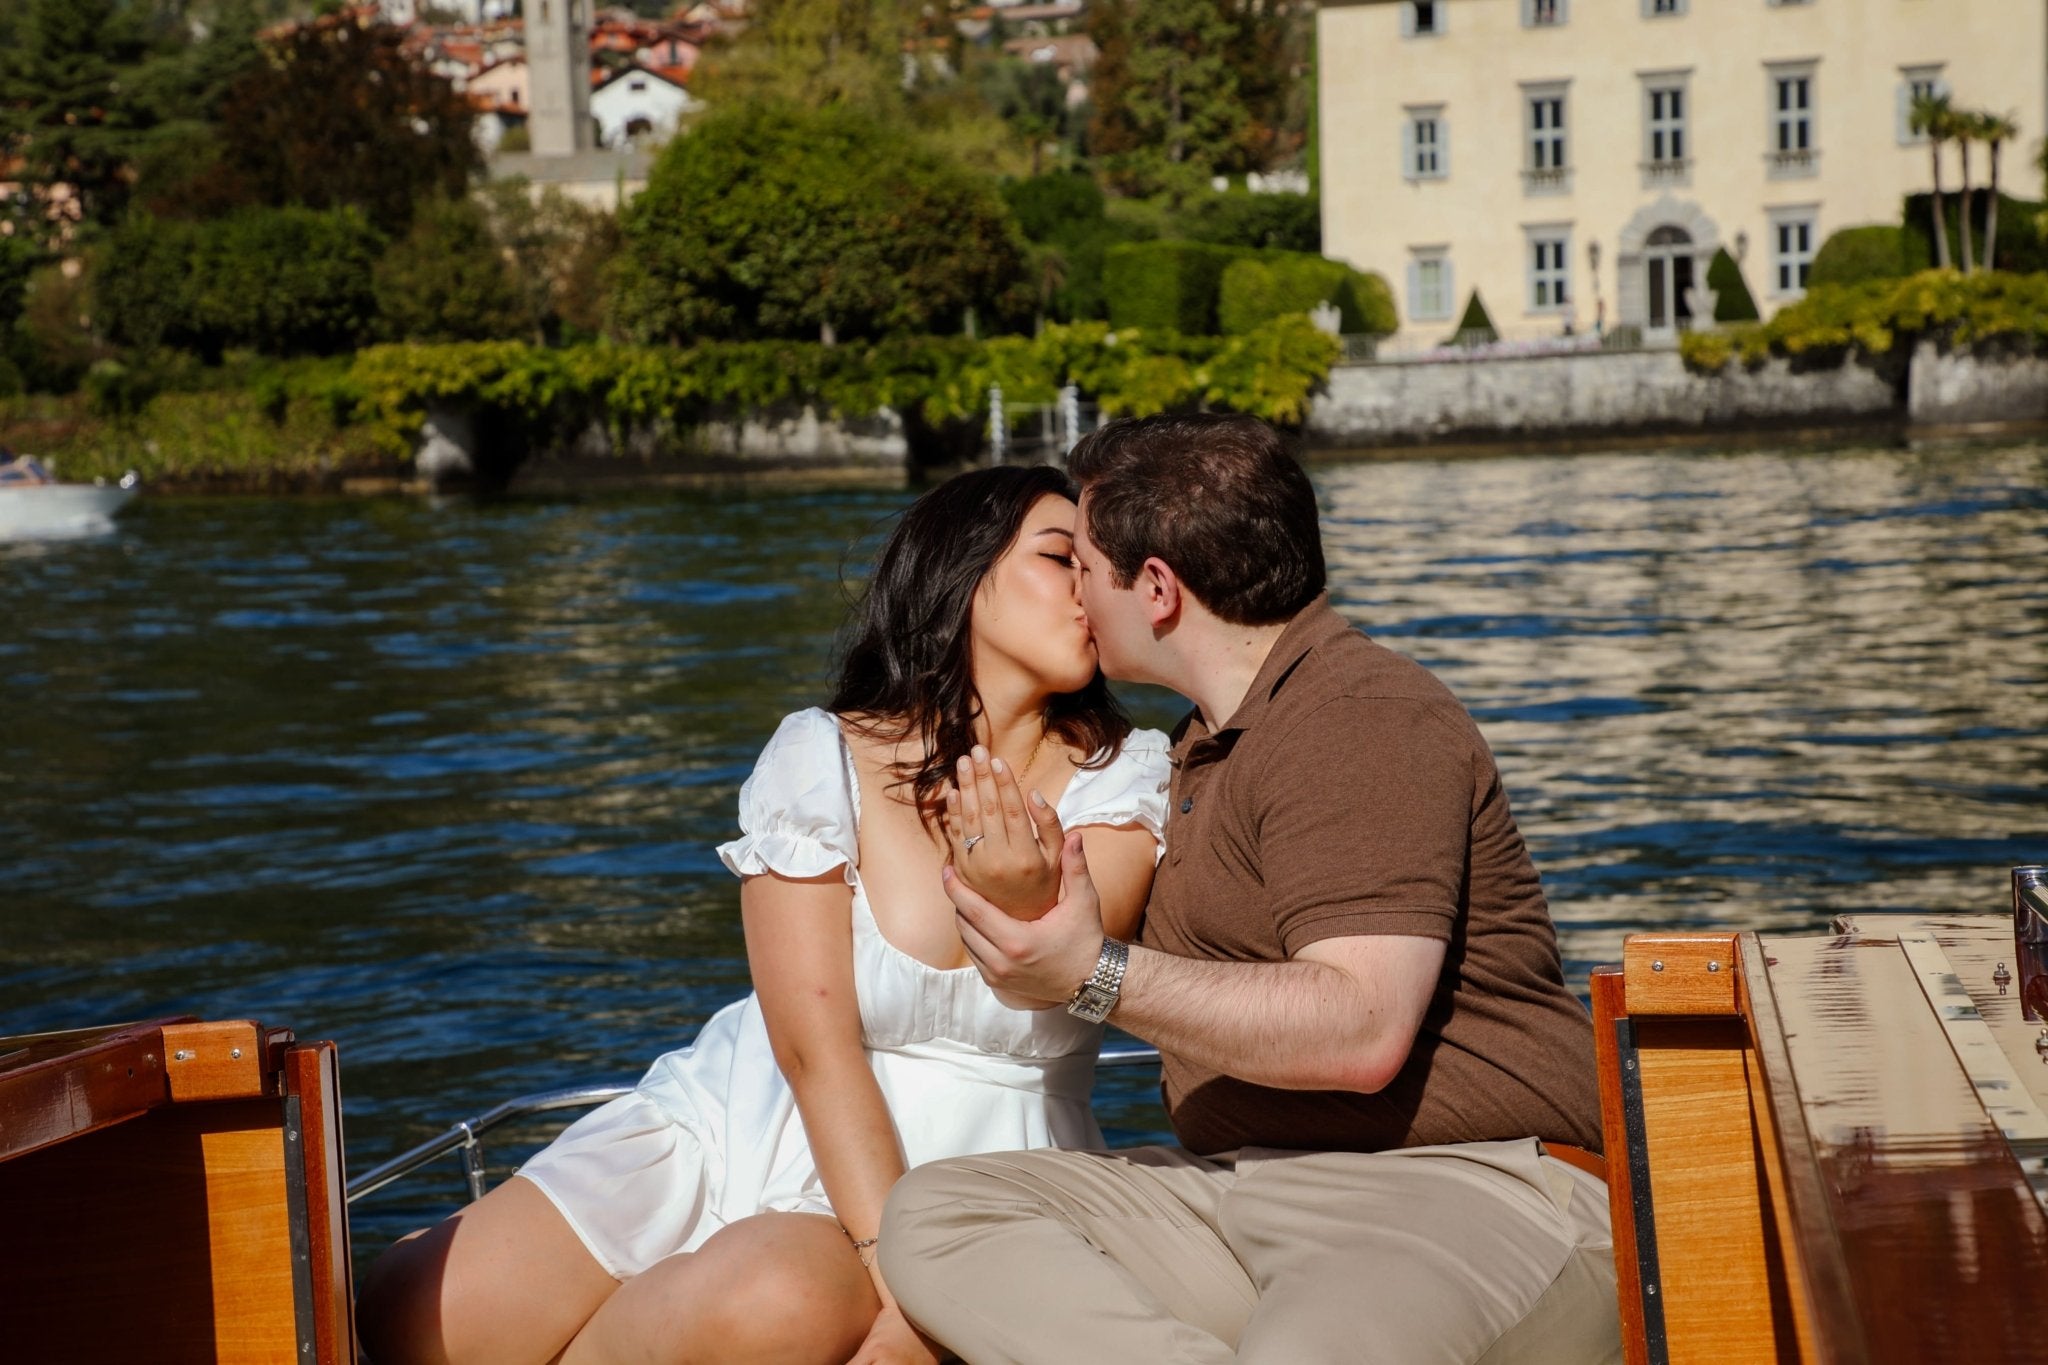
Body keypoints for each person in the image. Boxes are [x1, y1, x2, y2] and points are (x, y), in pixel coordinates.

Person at [357, 464, 1171, 1365]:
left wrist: (914, 1269)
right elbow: (810, 1051)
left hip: (983, 1163)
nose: (1094, 589)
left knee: (773, 1299)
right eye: (1064, 558)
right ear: (966, 576)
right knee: (404, 1318)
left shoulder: (1125, 772)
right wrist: (896, 1263)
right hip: (751, 1112)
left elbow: (1099, 933)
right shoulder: (819, 752)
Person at [884, 414, 1620, 1364]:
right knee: (944, 1215)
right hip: (1241, 1189)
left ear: (1155, 589)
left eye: (1085, 567)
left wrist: (1091, 972)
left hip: (1463, 1187)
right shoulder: (1202, 746)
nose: (1075, 595)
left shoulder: (1361, 715)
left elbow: (1360, 1027)